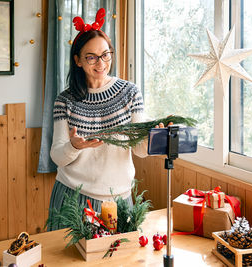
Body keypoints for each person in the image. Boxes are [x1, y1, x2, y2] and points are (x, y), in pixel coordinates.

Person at [47, 8, 169, 230]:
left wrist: (154, 137)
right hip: (73, 198)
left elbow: (140, 150)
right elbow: (57, 155)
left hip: (119, 200)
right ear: (78, 61)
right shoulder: (64, 101)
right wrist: (73, 146)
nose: (101, 63)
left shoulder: (130, 93)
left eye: (105, 55)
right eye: (91, 57)